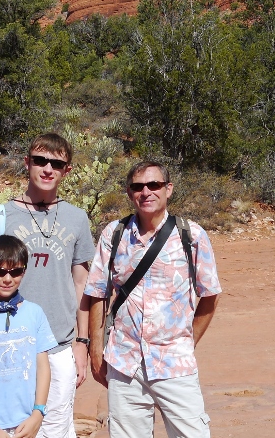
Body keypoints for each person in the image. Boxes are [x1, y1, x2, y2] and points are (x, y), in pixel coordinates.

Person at [83, 161, 221, 438]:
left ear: (168, 189)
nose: (146, 192)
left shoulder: (191, 236)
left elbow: (210, 295)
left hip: (174, 363)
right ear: (129, 192)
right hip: (124, 362)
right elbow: (97, 292)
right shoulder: (114, 234)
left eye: (154, 185)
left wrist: (187, 341)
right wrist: (96, 350)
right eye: (137, 186)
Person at [0, 133, 96, 438]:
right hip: (8, 344)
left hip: (58, 344)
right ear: (27, 163)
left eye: (57, 163)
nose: (47, 169)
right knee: (9, 428)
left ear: (66, 170)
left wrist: (82, 344)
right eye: (40, 161)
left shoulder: (77, 218)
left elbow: (81, 282)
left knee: (54, 427)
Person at [0, 236, 56, 438]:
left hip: (28, 424)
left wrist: (38, 413)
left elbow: (43, 366)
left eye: (15, 271)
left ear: (24, 271)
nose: (7, 279)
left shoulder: (35, 313)